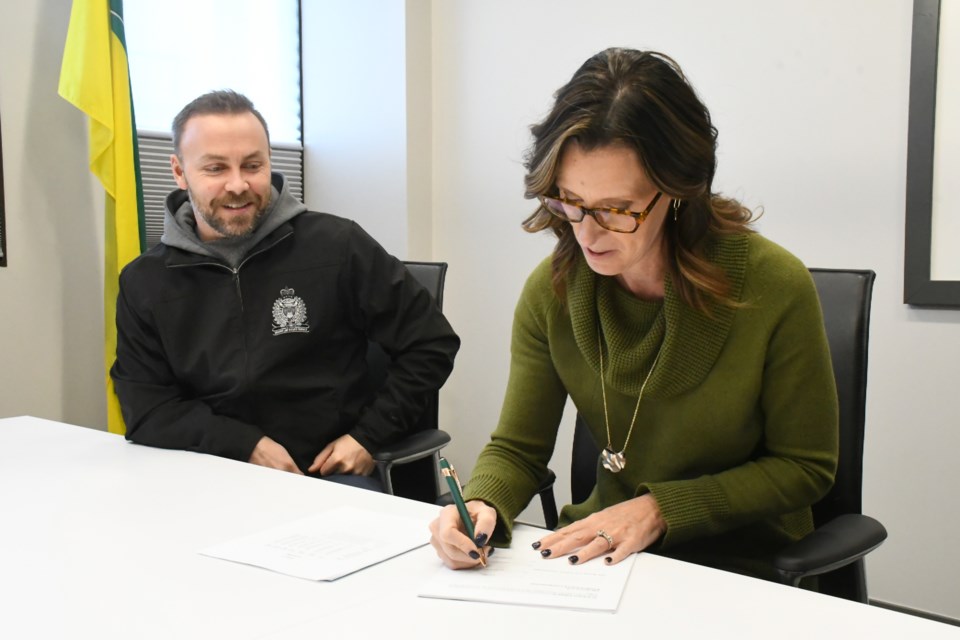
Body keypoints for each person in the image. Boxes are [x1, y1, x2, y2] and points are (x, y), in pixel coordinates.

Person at [429, 48, 838, 579]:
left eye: (617, 210)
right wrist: (479, 506)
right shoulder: (550, 292)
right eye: (569, 201)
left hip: (744, 567)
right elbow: (518, 447)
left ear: (678, 192)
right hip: (606, 560)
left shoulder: (773, 285)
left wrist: (659, 509)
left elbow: (805, 468)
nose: (587, 233)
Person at [111, 90, 460, 491]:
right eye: (215, 169)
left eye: (252, 165)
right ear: (179, 171)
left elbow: (431, 344)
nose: (238, 185)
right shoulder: (145, 280)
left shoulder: (337, 245)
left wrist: (368, 436)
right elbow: (146, 407)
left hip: (326, 473)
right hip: (207, 471)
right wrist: (245, 445)